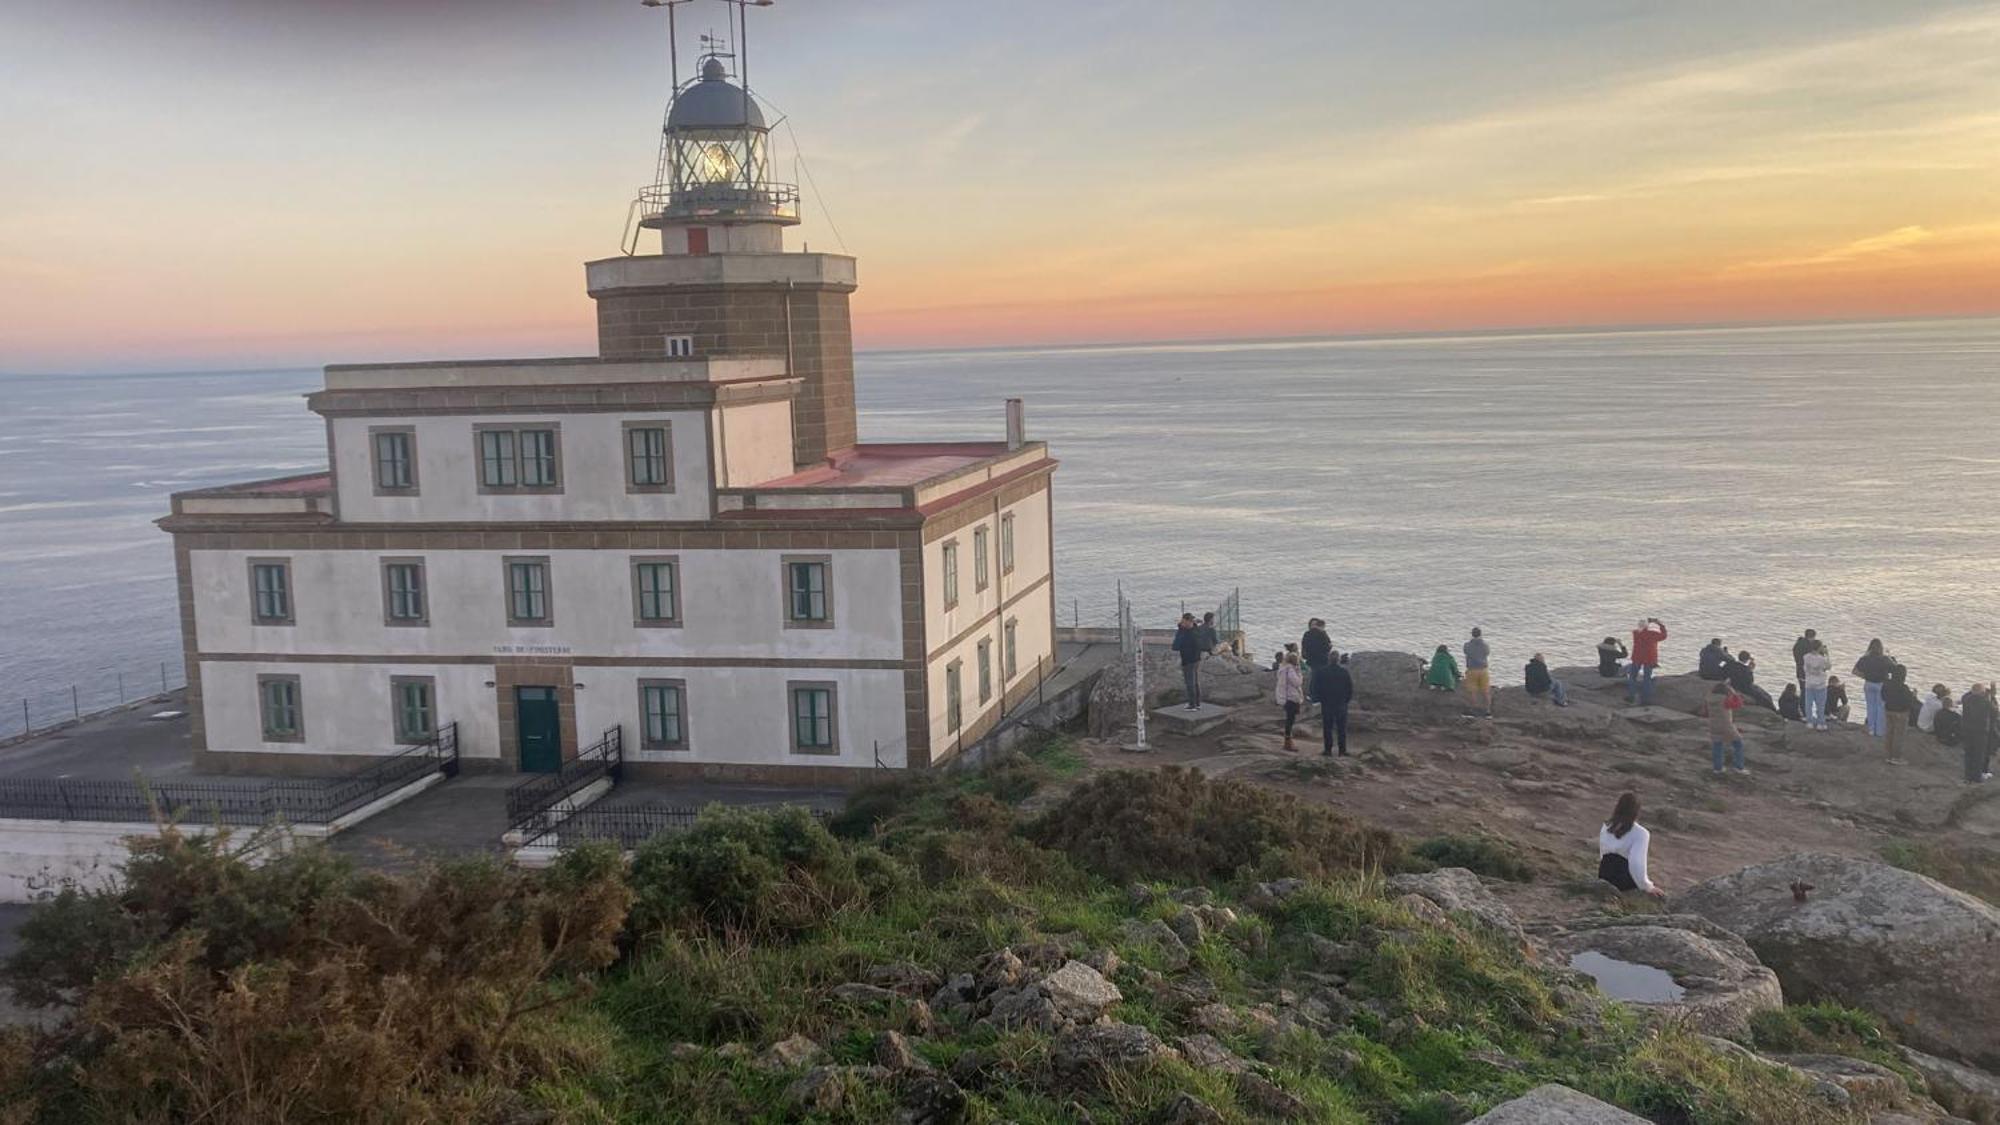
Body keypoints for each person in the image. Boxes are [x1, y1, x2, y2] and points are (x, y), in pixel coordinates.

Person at [1598, 792, 1666, 898]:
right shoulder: (1641, 833)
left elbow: (1602, 853)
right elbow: (1636, 863)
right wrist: (1647, 886)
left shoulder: (1606, 826)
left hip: (1604, 873)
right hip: (1623, 878)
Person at [1313, 653, 1354, 757]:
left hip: (1327, 703)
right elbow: (1349, 688)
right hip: (1341, 703)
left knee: (1327, 728)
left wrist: (1320, 699)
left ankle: (1327, 750)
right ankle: (1342, 750)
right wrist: (1346, 700)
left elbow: (1317, 687)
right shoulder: (1344, 672)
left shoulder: (1322, 672)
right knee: (1341, 728)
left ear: (1329, 659)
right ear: (1339, 660)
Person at [1703, 680, 1747, 774]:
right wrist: (1735, 694)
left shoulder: (1709, 699)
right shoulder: (1724, 699)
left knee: (1717, 745)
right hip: (1726, 725)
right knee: (1738, 744)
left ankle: (1717, 768)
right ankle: (1739, 767)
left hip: (1713, 725)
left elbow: (1705, 712)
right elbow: (1738, 705)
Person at [1853, 639, 1895, 737]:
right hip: (1881, 685)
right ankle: (1880, 731)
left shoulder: (1864, 658)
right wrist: (1891, 659)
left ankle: (1871, 729)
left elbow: (1855, 671)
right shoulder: (1884, 659)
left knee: (1870, 707)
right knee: (1880, 707)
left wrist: (1865, 676)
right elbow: (1895, 670)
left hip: (1868, 684)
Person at [1627, 618, 1668, 705]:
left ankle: (1631, 696)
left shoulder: (1636, 633)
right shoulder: (1652, 634)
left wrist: (1647, 622)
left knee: (1632, 677)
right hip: (1649, 658)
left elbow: (1642, 627)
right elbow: (1664, 636)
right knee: (1647, 678)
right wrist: (1660, 624)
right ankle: (1645, 699)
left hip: (1637, 657)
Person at [1881, 664, 1916, 764]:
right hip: (1901, 713)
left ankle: (1888, 755)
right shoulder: (1904, 688)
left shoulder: (1886, 684)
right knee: (1898, 735)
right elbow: (1908, 702)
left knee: (1889, 733)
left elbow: (1883, 697)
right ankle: (1896, 757)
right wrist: (1913, 695)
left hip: (1888, 710)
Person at [1961, 683, 1995, 783]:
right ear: (1982, 692)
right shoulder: (1985, 702)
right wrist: (1990, 696)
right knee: (1979, 754)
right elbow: (1995, 712)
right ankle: (1976, 777)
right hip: (1980, 732)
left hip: (1967, 730)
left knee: (1968, 753)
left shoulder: (1966, 699)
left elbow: (1967, 694)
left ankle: (1968, 776)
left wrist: (1976, 691)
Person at [1171, 613, 1204, 710]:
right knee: (1195, 681)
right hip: (1196, 658)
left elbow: (1175, 646)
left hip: (1188, 659)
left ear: (1186, 621)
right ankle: (1197, 703)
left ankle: (1192, 704)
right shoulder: (1196, 630)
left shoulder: (1186, 634)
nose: (1182, 623)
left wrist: (1180, 629)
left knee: (1190, 682)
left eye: (1183, 621)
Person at [1274, 652, 1305, 753]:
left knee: (1289, 719)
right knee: (1290, 720)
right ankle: (1288, 742)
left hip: (1286, 697)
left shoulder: (1283, 668)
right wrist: (1300, 673)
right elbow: (1297, 682)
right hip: (1291, 697)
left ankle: (1288, 741)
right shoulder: (1291, 670)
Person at [1802, 640, 1832, 731]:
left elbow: (1804, 669)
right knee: (1820, 705)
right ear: (1819, 647)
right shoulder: (1822, 659)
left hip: (1809, 683)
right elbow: (1828, 666)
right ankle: (1820, 723)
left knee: (1808, 704)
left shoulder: (1806, 657)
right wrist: (1827, 654)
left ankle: (1810, 722)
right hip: (1820, 684)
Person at [1463, 627, 1493, 717]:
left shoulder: (1467, 645)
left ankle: (1473, 710)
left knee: (1472, 691)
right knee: (1486, 691)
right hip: (1483, 670)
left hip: (1472, 669)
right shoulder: (1485, 645)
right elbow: (1487, 653)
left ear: (1472, 634)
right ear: (1480, 634)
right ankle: (1488, 711)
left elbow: (1466, 652)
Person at [1301, 619, 1333, 701]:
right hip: (1322, 659)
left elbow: (1304, 646)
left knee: (1314, 677)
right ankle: (1320, 696)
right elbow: (1327, 646)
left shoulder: (1307, 634)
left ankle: (1313, 695)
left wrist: (1305, 656)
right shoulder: (1322, 634)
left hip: (1311, 659)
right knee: (1321, 678)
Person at [1793, 629, 1819, 695]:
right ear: (1812, 637)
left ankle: (1802, 704)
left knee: (1803, 690)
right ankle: (1805, 704)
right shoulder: (1808, 647)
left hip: (1799, 671)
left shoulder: (1797, 645)